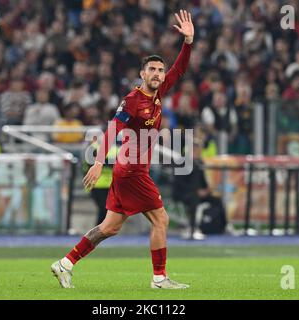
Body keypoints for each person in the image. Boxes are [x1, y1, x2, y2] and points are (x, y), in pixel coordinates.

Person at [51, 10, 194, 289]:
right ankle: (159, 278)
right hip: (131, 171)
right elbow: (113, 129)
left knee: (110, 227)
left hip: (128, 170)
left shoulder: (159, 94)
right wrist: (97, 161)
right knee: (161, 219)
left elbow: (181, 69)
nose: (157, 74)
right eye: (151, 70)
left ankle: (65, 263)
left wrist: (187, 42)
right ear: (142, 74)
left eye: (160, 70)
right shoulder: (133, 100)